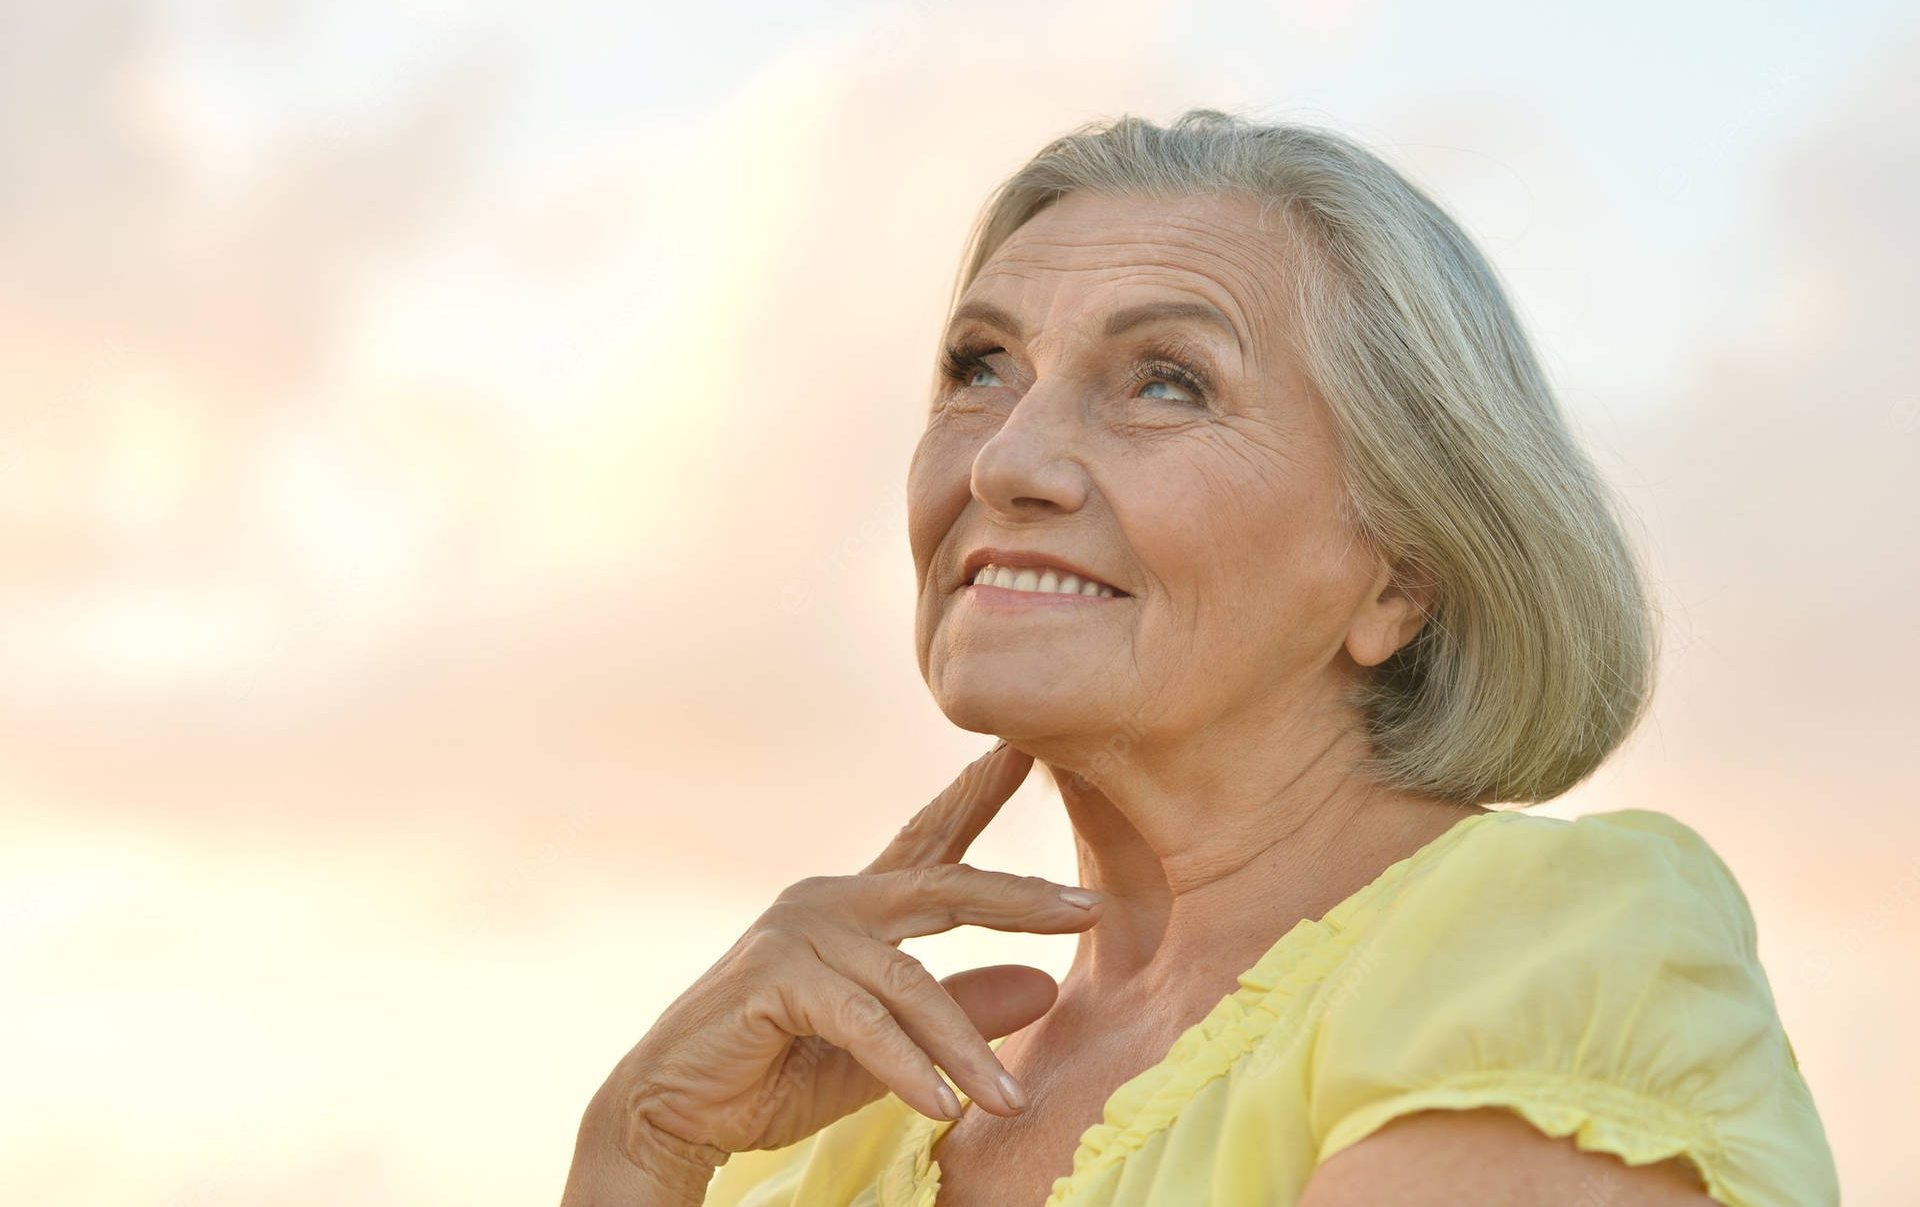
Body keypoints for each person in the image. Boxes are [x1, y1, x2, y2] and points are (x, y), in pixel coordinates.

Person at [560, 110, 1839, 1206]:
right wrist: (640, 1149)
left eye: (1166, 381)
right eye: (981, 367)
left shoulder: (1559, 954)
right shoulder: (826, 1126)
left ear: (1402, 573)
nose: (1006, 462)